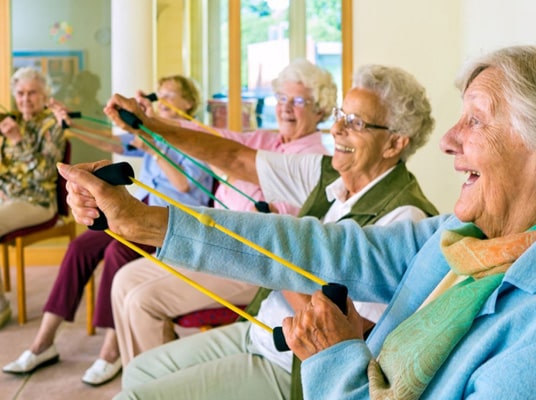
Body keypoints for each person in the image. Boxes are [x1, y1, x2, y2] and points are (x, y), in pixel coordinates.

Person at [64, 45, 536, 399]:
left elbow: (339, 315)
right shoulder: (469, 236)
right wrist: (141, 221)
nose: (449, 141)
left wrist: (338, 355)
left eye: (477, 120)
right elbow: (319, 246)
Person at [107, 63, 438, 400]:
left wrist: (273, 259)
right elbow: (235, 156)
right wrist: (150, 125)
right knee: (139, 371)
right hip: (261, 328)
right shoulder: (327, 174)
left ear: (395, 143)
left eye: (355, 123)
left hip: (292, 363)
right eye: (341, 115)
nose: (336, 129)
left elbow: (358, 334)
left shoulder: (404, 217)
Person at [110, 58, 338, 367]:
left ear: (320, 110)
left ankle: (155, 384)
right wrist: (151, 122)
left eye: (298, 101)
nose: (286, 107)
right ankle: (143, 378)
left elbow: (279, 223)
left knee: (141, 301)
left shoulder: (315, 159)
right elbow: (215, 142)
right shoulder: (265, 140)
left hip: (252, 263)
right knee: (123, 280)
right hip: (212, 245)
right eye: (282, 98)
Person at [2, 75, 213, 387]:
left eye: (171, 94)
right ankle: (43, 343)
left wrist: (153, 145)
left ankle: (110, 350)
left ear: (189, 103)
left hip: (176, 223)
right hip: (146, 209)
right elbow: (111, 142)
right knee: (81, 247)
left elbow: (184, 186)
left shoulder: (197, 138)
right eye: (161, 94)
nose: (163, 99)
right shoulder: (155, 132)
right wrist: (70, 125)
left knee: (117, 252)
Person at [0, 67, 67, 329]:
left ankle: (1, 308)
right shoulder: (12, 119)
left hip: (38, 202)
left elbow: (45, 173)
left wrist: (17, 139)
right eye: (20, 93)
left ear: (44, 95)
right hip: (9, 199)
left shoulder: (52, 124)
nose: (26, 99)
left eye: (32, 93)